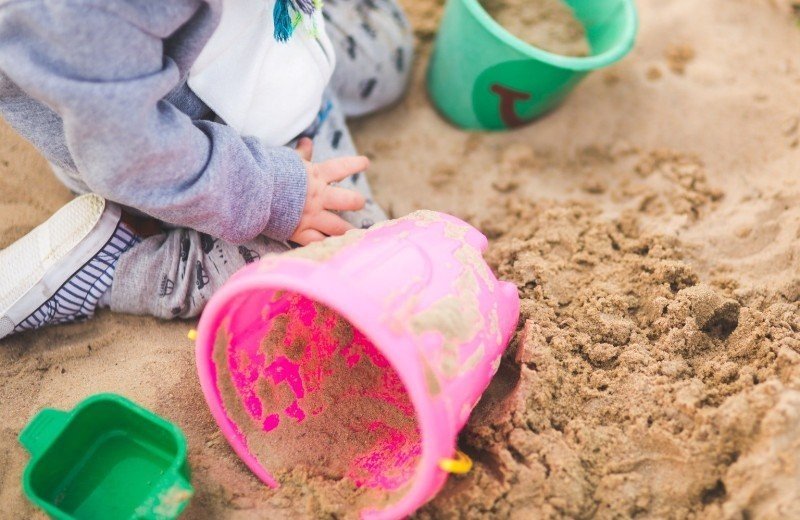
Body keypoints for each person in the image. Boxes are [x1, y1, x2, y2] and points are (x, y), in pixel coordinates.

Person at [0, 0, 413, 339]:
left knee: (387, 56)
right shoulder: (89, 15)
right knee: (355, 260)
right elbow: (132, 153)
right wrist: (275, 196)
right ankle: (120, 266)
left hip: (272, 48)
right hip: (197, 162)